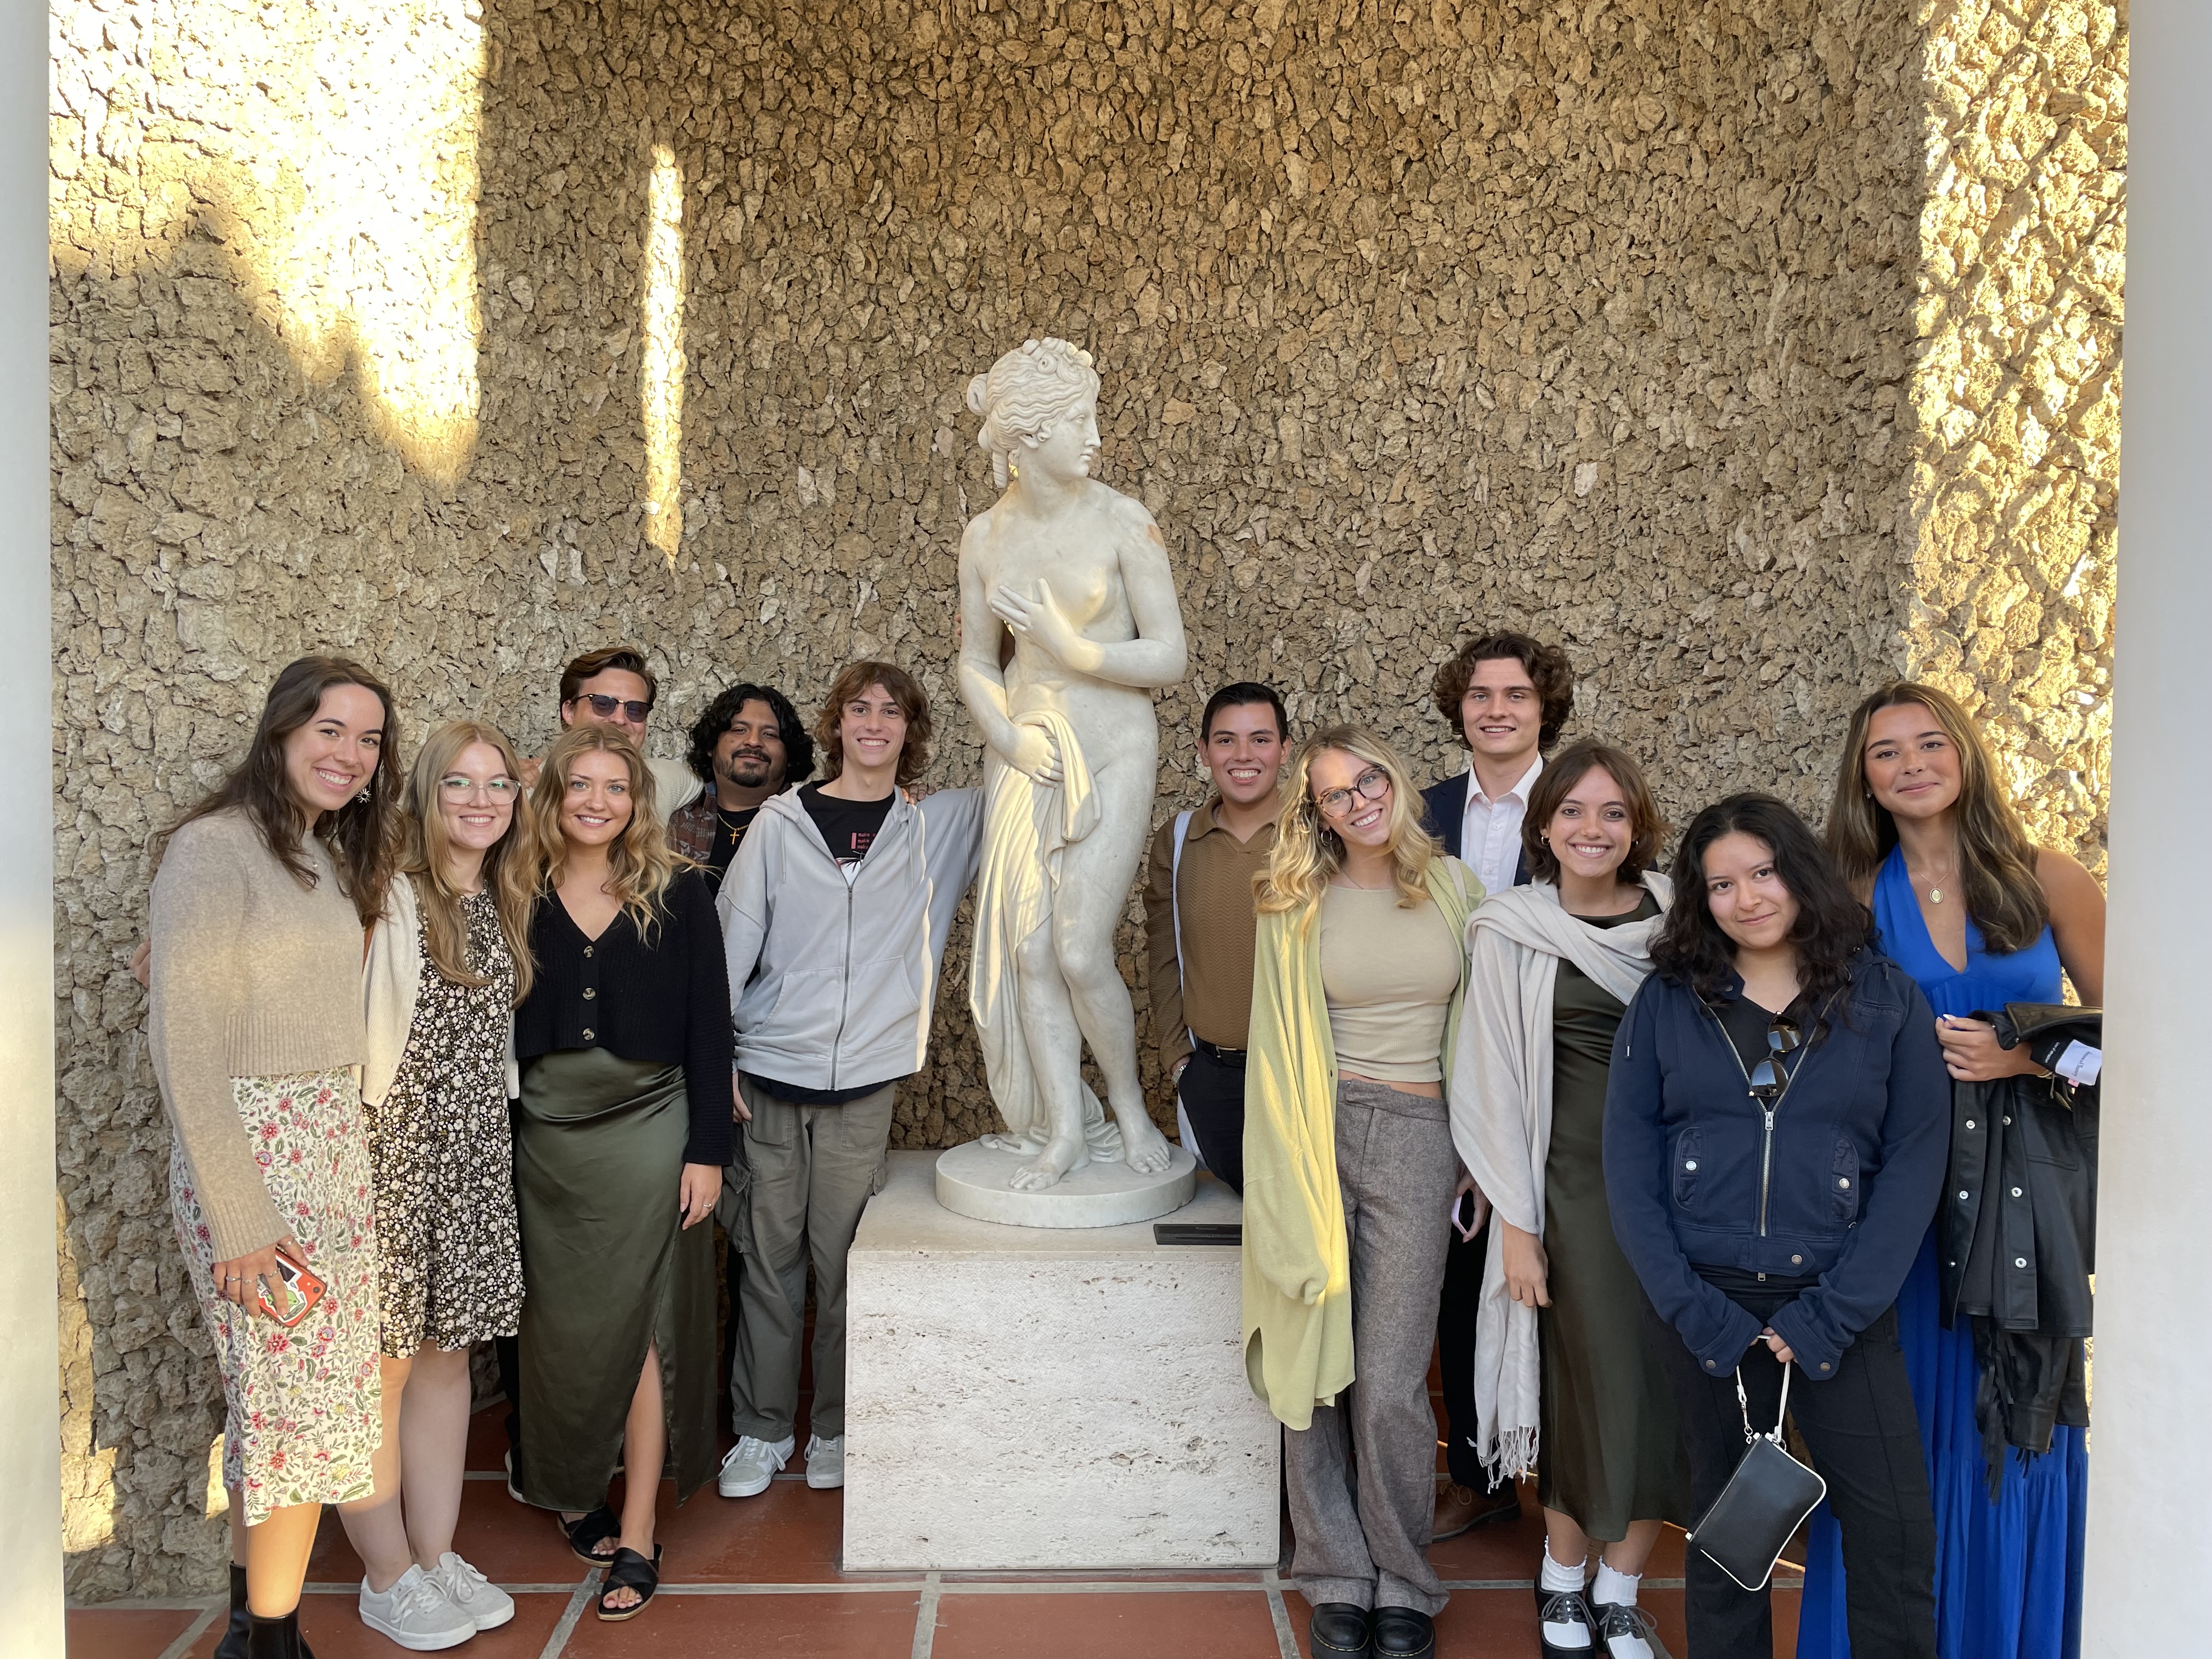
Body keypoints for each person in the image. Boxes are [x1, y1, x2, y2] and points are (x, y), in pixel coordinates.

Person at [1605, 794, 1949, 1659]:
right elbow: (1628, 1168)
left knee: (1895, 1532)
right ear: (1699, 898)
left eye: (1762, 873)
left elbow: (1913, 1166)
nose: (1747, 898)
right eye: (1721, 883)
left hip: (1837, 1312)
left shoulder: (1883, 1000)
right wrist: (1694, 1310)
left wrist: (1830, 1316)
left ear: (1799, 873)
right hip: (1707, 1311)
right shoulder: (1668, 1003)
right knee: (1730, 1545)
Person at [1803, 682, 2107, 1659]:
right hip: (1899, 1199)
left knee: (2011, 1428)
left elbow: (2136, 1033)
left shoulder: (2047, 877)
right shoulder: (1847, 895)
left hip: (2022, 1205)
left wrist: (2024, 1056)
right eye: (1886, 751)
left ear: (1965, 754)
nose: (1911, 763)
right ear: (1864, 777)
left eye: (1930, 742)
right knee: (1890, 1439)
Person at [147, 656, 398, 1659]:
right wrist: (245, 1222)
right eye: (331, 729)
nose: (350, 753)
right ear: (283, 730)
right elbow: (188, 1041)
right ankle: (273, 1640)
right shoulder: (214, 849)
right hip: (259, 1164)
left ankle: (257, 1629)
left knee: (285, 1408)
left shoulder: (318, 851)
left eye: (370, 738)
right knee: (294, 1417)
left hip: (327, 1153)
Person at [1243, 725, 1483, 1659]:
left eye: (1367, 779)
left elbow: (1487, 1029)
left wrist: (1478, 1146)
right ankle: (1336, 1571)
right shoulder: (1291, 900)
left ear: (1394, 778)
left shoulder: (1457, 889)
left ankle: (1404, 1577)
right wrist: (1280, 1175)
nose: (1357, 801)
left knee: (1388, 1379)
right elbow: (1272, 1048)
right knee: (1312, 1360)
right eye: (1334, 793)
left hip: (1421, 1141)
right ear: (1317, 811)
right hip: (1315, 1134)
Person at [715, 661, 983, 1498]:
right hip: (766, 1074)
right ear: (836, 724)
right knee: (768, 1259)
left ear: (912, 730)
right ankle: (761, 1431)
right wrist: (716, 1055)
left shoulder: (938, 825)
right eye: (859, 708)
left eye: (892, 712)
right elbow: (735, 937)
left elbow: (1027, 765)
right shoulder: (779, 823)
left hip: (865, 1084)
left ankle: (832, 1425)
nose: (875, 723)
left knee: (844, 1265)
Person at [1451, 743, 1686, 1659]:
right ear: (1541, 824)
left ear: (1638, 825)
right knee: (1587, 1376)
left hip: (1674, 1189)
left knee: (1667, 1379)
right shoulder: (1510, 926)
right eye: (1575, 811)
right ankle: (1561, 1568)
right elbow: (1490, 1082)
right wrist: (1517, 1225)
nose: (1593, 829)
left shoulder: (1679, 920)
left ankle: (1622, 1585)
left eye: (1613, 812)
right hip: (1567, 1189)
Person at [510, 724, 732, 1623]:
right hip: (547, 1134)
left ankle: (639, 1527)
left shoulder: (681, 892)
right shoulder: (513, 891)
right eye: (578, 784)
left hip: (652, 1121)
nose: (596, 800)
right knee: (560, 1325)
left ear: (638, 800)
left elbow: (711, 1026)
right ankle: (572, 1487)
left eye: (615, 786)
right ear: (553, 795)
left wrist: (706, 1148)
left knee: (641, 1325)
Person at [955, 336, 1187, 1190]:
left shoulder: (1124, 521)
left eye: (1092, 416)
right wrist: (1009, 740)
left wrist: (1067, 646)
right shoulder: (985, 537)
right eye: (1076, 421)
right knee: (1029, 953)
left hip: (1114, 744)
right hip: (1026, 754)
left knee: (1082, 948)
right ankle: (1061, 1130)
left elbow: (1168, 658)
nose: (1093, 436)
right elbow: (975, 662)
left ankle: (1126, 1110)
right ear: (1027, 434)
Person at [335, 721, 536, 1649]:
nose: (481, 798)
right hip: (388, 1154)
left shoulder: (501, 892)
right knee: (377, 1369)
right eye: (459, 781)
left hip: (469, 1157)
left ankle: (434, 1549)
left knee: (448, 1357)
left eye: (498, 782)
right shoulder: (383, 891)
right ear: (424, 793)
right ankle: (386, 1575)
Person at [1420, 630, 1576, 1541]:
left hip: (1552, 1071)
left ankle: (1566, 1474)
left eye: (1515, 694)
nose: (1496, 708)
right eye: (1479, 693)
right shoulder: (1424, 808)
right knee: (1455, 1279)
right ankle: (1477, 1474)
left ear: (1542, 705)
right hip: (1442, 1067)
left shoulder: (1577, 803)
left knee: (1560, 1278)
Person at [1141, 680, 1289, 1192]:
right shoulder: (1179, 839)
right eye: (1226, 740)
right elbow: (1163, 955)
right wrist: (1179, 1061)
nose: (1243, 755)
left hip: (1303, 1077)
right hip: (1213, 1077)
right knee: (1240, 1218)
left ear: (1285, 749)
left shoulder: (1318, 835)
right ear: (1203, 751)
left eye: (1261, 739)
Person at [667, 683, 814, 890]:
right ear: (711, 746)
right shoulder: (672, 820)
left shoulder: (812, 824)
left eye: (770, 734)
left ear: (789, 754)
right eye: (739, 730)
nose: (753, 742)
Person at [547, 644, 705, 817]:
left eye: (636, 709)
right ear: (569, 712)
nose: (620, 719)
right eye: (603, 704)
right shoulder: (525, 789)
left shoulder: (666, 780)